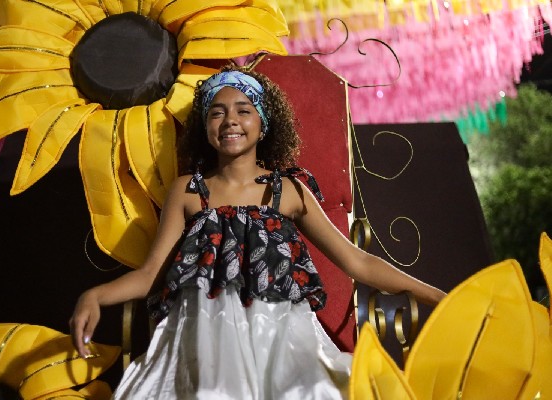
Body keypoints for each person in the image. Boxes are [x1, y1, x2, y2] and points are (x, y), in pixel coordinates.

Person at [70, 66, 446, 399]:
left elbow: (356, 261)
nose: (230, 120)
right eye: (217, 112)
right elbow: (151, 274)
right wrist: (95, 295)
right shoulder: (189, 191)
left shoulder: (288, 191)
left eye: (243, 110)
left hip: (280, 338)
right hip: (206, 340)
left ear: (263, 124)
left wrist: (433, 295)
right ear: (204, 127)